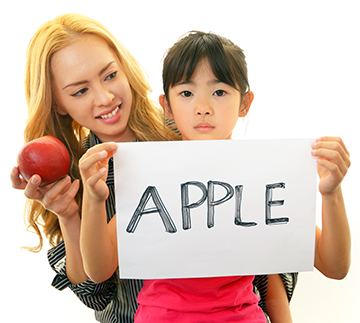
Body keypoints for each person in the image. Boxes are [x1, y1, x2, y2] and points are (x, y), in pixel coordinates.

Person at [10, 15, 293, 323]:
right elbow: (96, 290)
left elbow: (258, 240)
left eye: (109, 75)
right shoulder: (72, 176)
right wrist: (69, 216)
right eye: (80, 91)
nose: (104, 98)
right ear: (57, 103)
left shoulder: (187, 130)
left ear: (124, 68)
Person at [78, 31, 351, 322]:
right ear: (166, 105)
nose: (203, 108)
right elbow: (99, 269)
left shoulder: (260, 177)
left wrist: (331, 194)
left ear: (244, 103)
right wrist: (93, 201)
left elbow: (334, 266)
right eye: (186, 93)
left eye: (219, 92)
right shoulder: (152, 176)